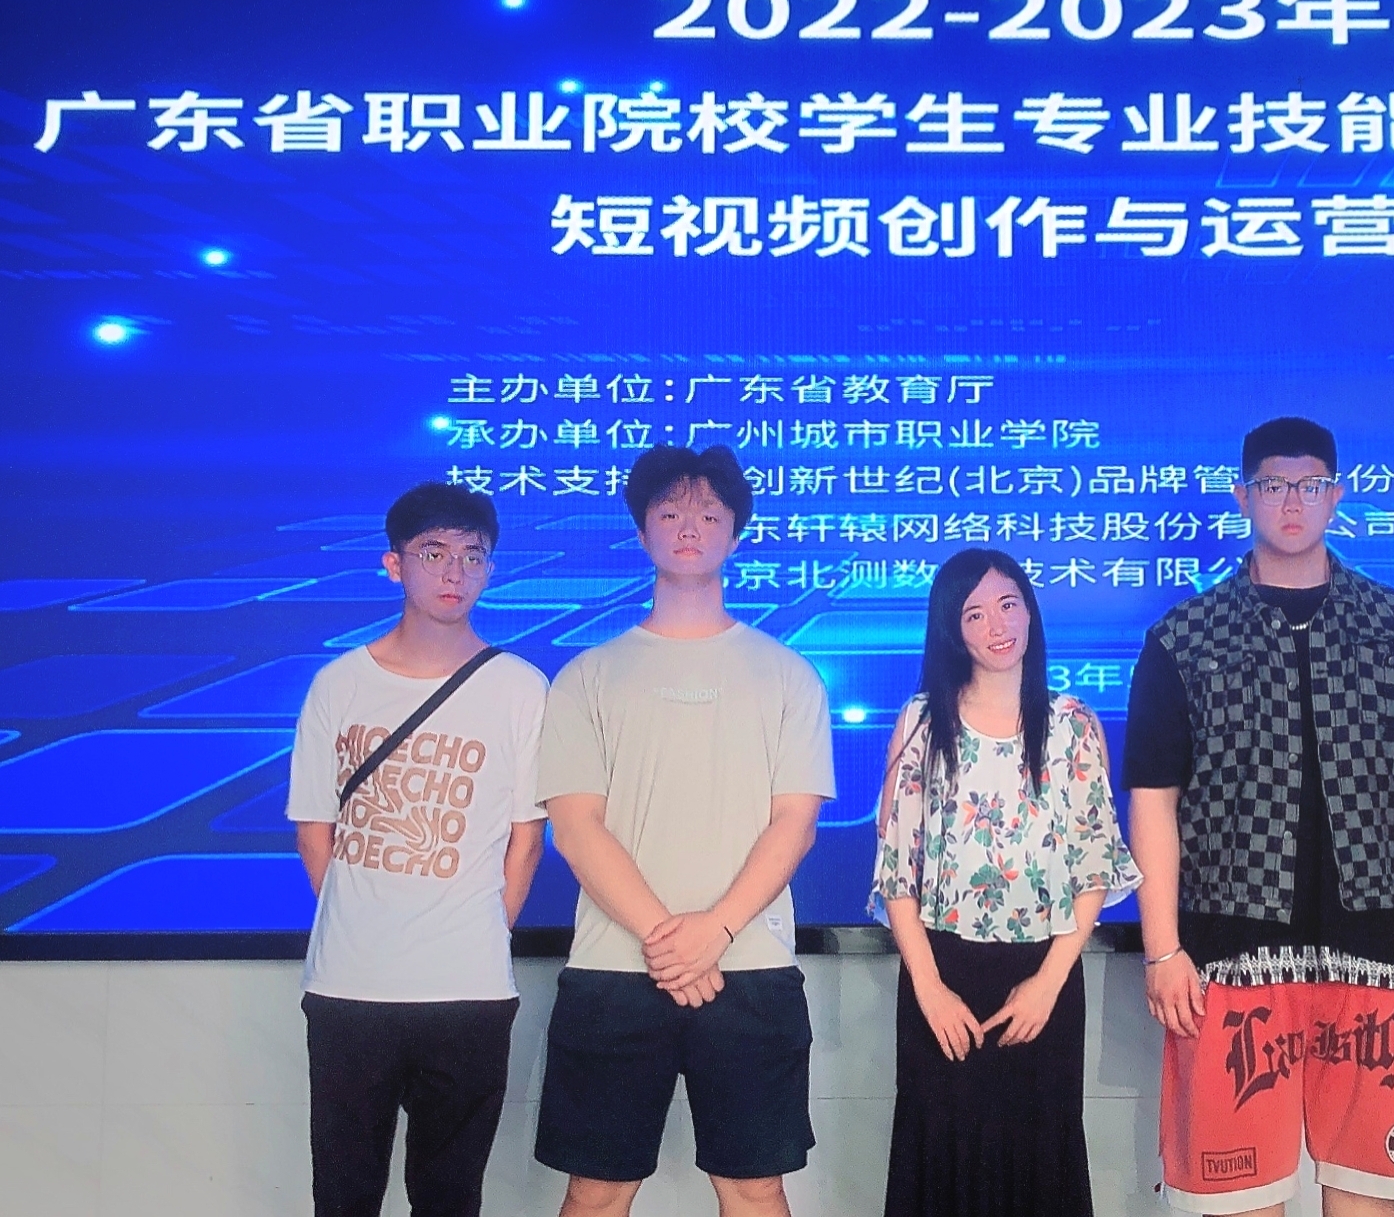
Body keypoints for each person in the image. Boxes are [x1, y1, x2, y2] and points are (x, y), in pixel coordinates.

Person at [1125, 416, 1394, 1216]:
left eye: (1310, 485)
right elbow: (1153, 801)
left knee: (1369, 1191)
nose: (1293, 502)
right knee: (1240, 1196)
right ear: (1242, 495)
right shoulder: (1185, 637)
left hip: (1374, 949)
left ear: (1336, 495)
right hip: (1229, 953)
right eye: (1274, 486)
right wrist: (1162, 950)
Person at [533, 445, 836, 1217]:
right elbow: (576, 826)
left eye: (708, 513)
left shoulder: (788, 674)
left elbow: (795, 823)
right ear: (642, 533)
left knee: (755, 1188)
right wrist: (672, 942)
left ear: (736, 532)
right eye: (669, 512)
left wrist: (716, 930)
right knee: (595, 1192)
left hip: (750, 965)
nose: (689, 527)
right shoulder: (587, 676)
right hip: (614, 967)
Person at [287, 481, 549, 1217]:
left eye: (473, 555)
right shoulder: (339, 684)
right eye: (433, 553)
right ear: (394, 563)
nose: (454, 572)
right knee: (345, 1195)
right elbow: (314, 828)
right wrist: (363, 918)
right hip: (349, 987)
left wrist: (478, 929)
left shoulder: (520, 688)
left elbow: (527, 838)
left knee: (450, 1195)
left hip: (469, 990)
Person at [870, 548, 1141, 1217]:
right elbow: (897, 872)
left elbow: (1095, 866)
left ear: (1030, 611)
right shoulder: (919, 724)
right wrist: (929, 990)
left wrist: (1048, 984)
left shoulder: (1074, 725)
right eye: (975, 613)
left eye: (1009, 604)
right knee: (940, 1159)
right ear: (951, 629)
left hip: (1044, 977)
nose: (997, 625)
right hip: (942, 976)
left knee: (1039, 1159)